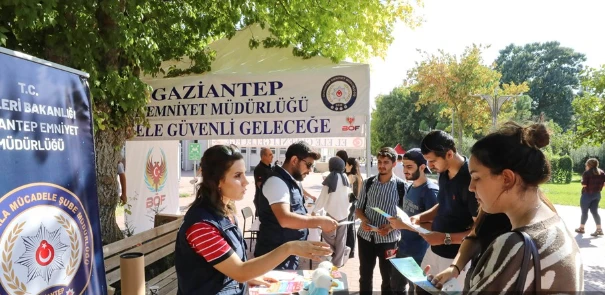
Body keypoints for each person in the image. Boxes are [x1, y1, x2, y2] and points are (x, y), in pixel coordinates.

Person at [174, 145, 332, 295]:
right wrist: (290, 248)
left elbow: (229, 268)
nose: (246, 181)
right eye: (237, 176)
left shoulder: (226, 213)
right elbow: (239, 271)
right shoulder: (202, 226)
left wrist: (251, 277)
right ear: (217, 181)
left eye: (243, 173)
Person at [462, 122, 583, 292]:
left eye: (476, 178)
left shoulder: (514, 245)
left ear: (507, 179)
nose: (471, 187)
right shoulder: (554, 223)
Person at [410, 130, 479, 287]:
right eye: (427, 161)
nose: (429, 166)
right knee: (421, 288)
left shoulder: (470, 181)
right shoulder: (443, 172)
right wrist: (421, 217)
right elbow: (443, 203)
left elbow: (479, 231)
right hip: (434, 250)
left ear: (449, 154)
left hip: (456, 260)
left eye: (432, 161)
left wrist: (445, 238)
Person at [255, 141, 338, 270]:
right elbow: (285, 219)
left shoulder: (291, 181)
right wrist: (319, 221)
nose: (310, 170)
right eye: (309, 165)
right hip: (273, 257)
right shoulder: (276, 181)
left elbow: (297, 213)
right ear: (294, 160)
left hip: (287, 254)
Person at [355, 147, 408, 293]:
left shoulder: (401, 187)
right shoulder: (368, 183)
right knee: (365, 276)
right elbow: (358, 209)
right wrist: (364, 220)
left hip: (389, 241)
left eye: (386, 162)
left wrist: (391, 227)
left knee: (389, 279)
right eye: (379, 162)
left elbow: (405, 218)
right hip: (366, 238)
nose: (381, 165)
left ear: (394, 164)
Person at [387, 148, 438, 295]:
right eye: (403, 166)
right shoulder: (410, 187)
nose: (405, 171)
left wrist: (404, 225)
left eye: (409, 167)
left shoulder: (430, 191)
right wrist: (394, 224)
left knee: (415, 291)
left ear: (422, 167)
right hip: (403, 248)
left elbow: (433, 227)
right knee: (396, 287)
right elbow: (408, 217)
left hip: (420, 254)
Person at [312, 157, 351, 267]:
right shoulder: (345, 178)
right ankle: (338, 262)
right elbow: (349, 196)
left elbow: (323, 196)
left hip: (331, 214)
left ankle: (336, 253)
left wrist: (315, 210)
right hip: (344, 213)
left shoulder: (330, 178)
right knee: (341, 239)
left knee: (328, 236)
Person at [575, 158, 605, 236]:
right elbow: (604, 184)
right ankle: (599, 229)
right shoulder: (601, 173)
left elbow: (584, 184)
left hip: (587, 195)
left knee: (584, 212)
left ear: (588, 165)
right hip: (597, 195)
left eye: (586, 165)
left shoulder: (587, 173)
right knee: (595, 212)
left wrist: (581, 180)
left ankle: (581, 228)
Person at [345, 157, 363, 258]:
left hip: (350, 203)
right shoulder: (359, 176)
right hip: (355, 203)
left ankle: (349, 249)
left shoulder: (351, 177)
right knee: (351, 227)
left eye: (346, 165)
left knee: (348, 227)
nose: (345, 167)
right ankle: (351, 250)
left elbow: (347, 191)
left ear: (350, 166)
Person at [253, 147, 274, 217]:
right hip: (262, 202)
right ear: (264, 156)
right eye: (270, 154)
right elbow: (260, 185)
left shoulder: (269, 167)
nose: (272, 156)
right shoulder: (259, 169)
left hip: (269, 200)